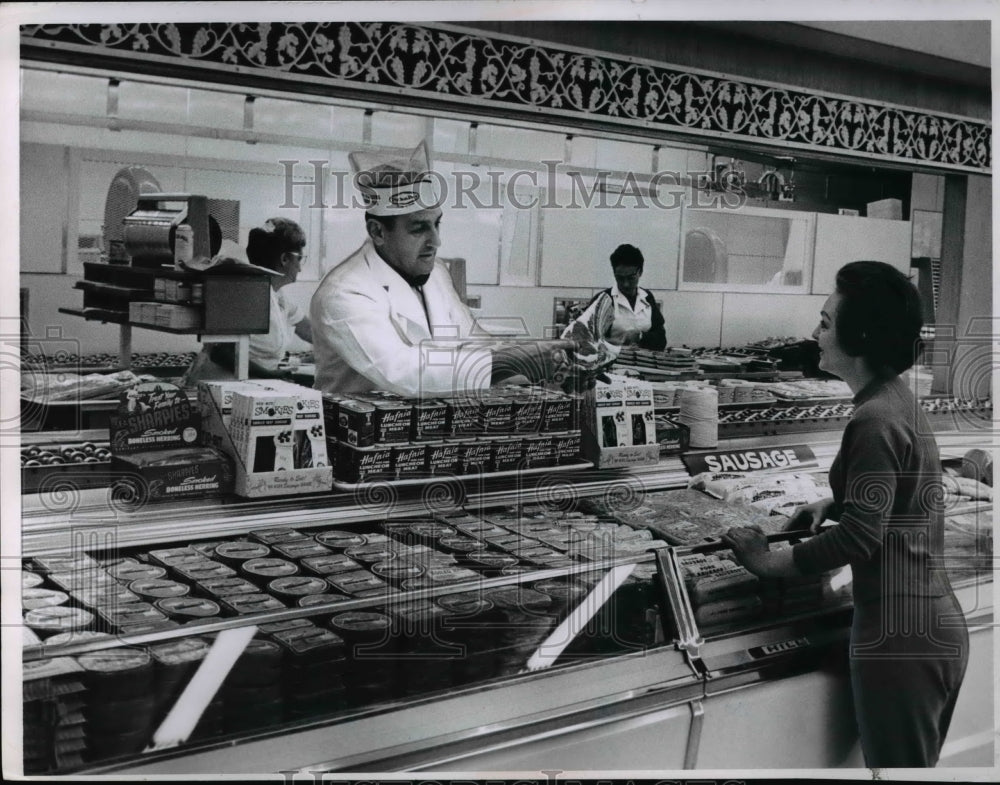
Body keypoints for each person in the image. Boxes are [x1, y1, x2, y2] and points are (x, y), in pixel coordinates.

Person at [721, 261, 968, 768]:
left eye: (826, 323)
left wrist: (766, 563)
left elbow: (858, 539)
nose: (815, 334)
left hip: (900, 636)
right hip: (926, 622)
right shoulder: (893, 398)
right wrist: (834, 501)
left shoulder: (874, 417)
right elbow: (912, 488)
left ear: (858, 336)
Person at [310, 142, 567, 396]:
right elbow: (403, 372)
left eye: (436, 224)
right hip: (357, 432)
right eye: (419, 228)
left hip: (431, 428)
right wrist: (516, 361)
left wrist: (546, 359)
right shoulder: (344, 292)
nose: (435, 241)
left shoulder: (437, 275)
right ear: (378, 232)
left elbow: (474, 342)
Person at [203, 218, 312, 379]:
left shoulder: (277, 295)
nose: (301, 268)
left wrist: (333, 350)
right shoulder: (249, 295)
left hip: (254, 384)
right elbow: (220, 353)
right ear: (284, 259)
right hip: (225, 385)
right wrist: (271, 375)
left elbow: (310, 331)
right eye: (300, 259)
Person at [562, 244, 666, 358]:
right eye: (620, 278)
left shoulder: (647, 297)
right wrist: (614, 343)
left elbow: (661, 340)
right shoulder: (603, 300)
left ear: (640, 272)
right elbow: (584, 341)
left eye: (631, 278)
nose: (625, 284)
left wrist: (640, 336)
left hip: (645, 363)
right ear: (614, 274)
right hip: (610, 364)